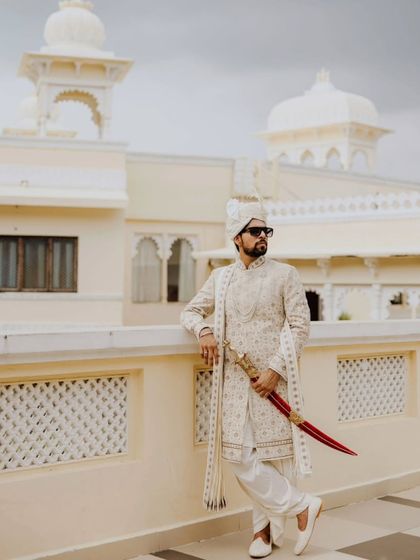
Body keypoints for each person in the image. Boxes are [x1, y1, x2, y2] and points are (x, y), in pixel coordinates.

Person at [181, 200, 322, 557]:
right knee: (240, 456)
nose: (263, 237)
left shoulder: (284, 274)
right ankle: (302, 506)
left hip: (275, 381)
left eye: (266, 231)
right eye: (255, 231)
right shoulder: (221, 278)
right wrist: (204, 331)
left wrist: (275, 371)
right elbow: (191, 311)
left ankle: (261, 533)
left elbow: (300, 326)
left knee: (272, 457)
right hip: (234, 385)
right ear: (236, 237)